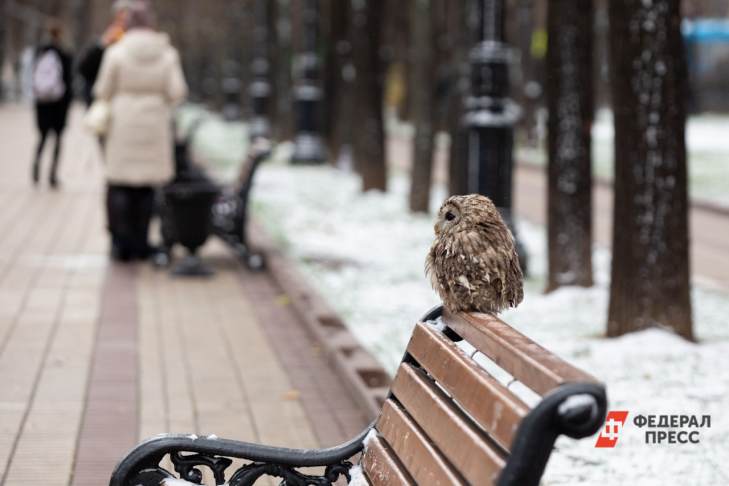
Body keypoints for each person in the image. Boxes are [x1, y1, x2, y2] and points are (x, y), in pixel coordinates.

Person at [93, 0, 188, 262]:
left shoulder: (117, 53)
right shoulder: (167, 54)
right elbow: (177, 91)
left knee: (120, 185)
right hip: (154, 126)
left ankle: (120, 243)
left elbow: (102, 90)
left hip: (122, 125)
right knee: (146, 188)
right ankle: (141, 242)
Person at [31, 22, 72, 188]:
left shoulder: (39, 52)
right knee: (58, 139)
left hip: (42, 103)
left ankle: (36, 166)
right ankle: (53, 174)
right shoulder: (64, 54)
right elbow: (69, 81)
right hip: (59, 105)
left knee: (42, 137)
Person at [77, 0, 131, 107]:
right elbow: (84, 69)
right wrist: (102, 45)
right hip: (104, 103)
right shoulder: (103, 41)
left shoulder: (138, 43)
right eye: (120, 18)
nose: (123, 23)